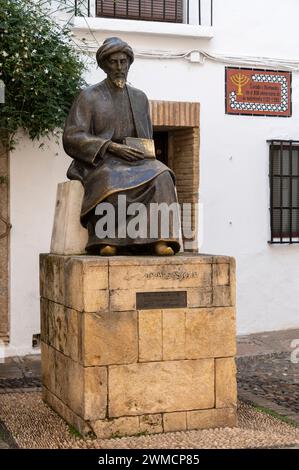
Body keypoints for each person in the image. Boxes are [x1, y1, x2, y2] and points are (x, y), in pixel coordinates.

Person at [63, 37, 181, 256]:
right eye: (114, 62)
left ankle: (159, 238)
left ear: (129, 64)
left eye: (123, 62)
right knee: (109, 176)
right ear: (105, 65)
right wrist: (111, 147)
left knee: (163, 174)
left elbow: (146, 138)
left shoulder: (139, 98)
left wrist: (143, 153)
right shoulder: (89, 96)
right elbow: (72, 136)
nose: (119, 67)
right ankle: (106, 240)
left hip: (135, 160)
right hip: (101, 159)